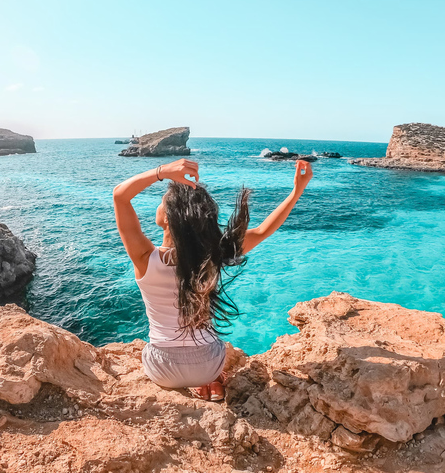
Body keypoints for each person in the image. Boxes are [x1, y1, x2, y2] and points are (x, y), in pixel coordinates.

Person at [113, 158, 312, 401]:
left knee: (150, 347)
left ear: (167, 217)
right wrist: (297, 191)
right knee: (213, 345)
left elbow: (120, 196)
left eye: (161, 203)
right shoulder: (214, 255)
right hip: (209, 364)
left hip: (163, 370)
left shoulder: (145, 258)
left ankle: (201, 381)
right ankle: (213, 381)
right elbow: (263, 230)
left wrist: (162, 172)